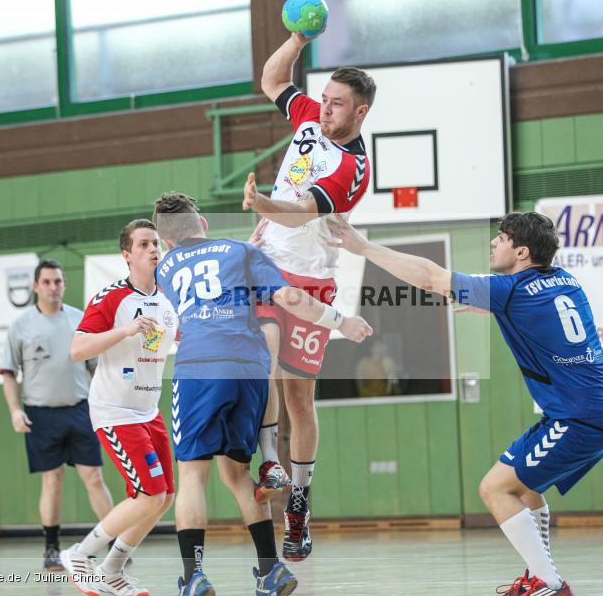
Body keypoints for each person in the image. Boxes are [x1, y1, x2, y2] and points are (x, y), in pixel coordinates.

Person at [327, 212, 603, 596]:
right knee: (525, 488)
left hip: (579, 417)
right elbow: (538, 312)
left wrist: (363, 247)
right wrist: (493, 307)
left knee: (494, 489)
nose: (492, 243)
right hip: (600, 408)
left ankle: (549, 583)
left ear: (521, 251)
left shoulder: (510, 290)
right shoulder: (565, 280)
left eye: (500, 238)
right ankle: (540, 574)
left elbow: (430, 277)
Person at [152, 192, 372, 596]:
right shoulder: (239, 252)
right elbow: (289, 297)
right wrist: (341, 320)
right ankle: (271, 570)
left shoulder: (164, 267)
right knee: (237, 474)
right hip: (250, 369)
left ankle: (194, 576)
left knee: (192, 476)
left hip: (199, 368)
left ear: (165, 240)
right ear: (203, 224)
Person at [241, 29, 377, 561]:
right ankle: (269, 459)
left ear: (360, 113)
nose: (324, 109)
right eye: (323, 98)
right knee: (260, 364)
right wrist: (297, 38)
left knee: (299, 395)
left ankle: (299, 504)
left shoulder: (353, 169)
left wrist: (260, 207)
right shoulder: (306, 118)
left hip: (310, 280)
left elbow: (300, 212)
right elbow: (272, 78)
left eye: (337, 104)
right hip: (266, 266)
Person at [59, 220, 177, 596]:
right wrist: (125, 331)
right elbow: (77, 350)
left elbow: (178, 337)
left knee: (165, 496)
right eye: (143, 244)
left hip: (148, 410)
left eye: (156, 242)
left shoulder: (168, 297)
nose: (153, 249)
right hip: (115, 410)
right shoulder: (110, 297)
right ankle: (80, 554)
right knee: (149, 494)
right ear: (127, 255)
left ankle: (111, 570)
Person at [0, 259, 114, 571]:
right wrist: (14, 411)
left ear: (64, 284)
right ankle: (51, 548)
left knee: (94, 477)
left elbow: (96, 370)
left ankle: (116, 546)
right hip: (41, 415)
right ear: (36, 286)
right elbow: (9, 374)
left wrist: (102, 406)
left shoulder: (80, 320)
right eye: (47, 282)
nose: (53, 287)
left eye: (58, 282)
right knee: (53, 480)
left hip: (80, 410)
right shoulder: (20, 327)